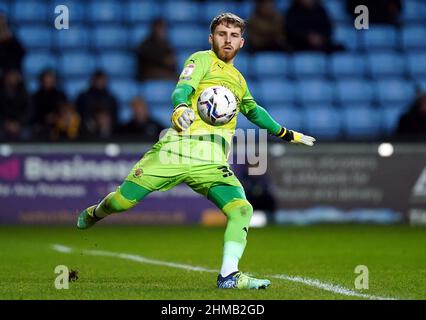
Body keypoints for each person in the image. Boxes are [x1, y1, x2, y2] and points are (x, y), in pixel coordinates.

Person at [77, 13, 316, 290]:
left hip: (211, 162)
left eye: (233, 35)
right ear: (211, 38)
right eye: (222, 34)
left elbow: (253, 110)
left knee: (242, 209)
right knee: (121, 203)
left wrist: (285, 133)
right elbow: (182, 90)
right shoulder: (200, 59)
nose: (227, 40)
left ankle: (229, 275)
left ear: (242, 42)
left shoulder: (237, 80)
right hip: (175, 151)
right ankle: (96, 212)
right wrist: (180, 108)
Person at [32, 69, 67, 139]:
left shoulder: (60, 95)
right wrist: (45, 119)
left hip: (58, 125)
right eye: (46, 79)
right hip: (41, 125)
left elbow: (65, 110)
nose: (48, 81)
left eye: (50, 79)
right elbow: (32, 114)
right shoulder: (35, 97)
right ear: (41, 81)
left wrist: (56, 117)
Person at [0, 69, 31, 140]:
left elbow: (29, 111)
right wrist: (6, 123)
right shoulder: (1, 92)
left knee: (26, 133)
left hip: (20, 124)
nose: (11, 78)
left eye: (13, 76)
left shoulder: (24, 93)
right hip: (3, 124)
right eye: (9, 76)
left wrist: (19, 123)